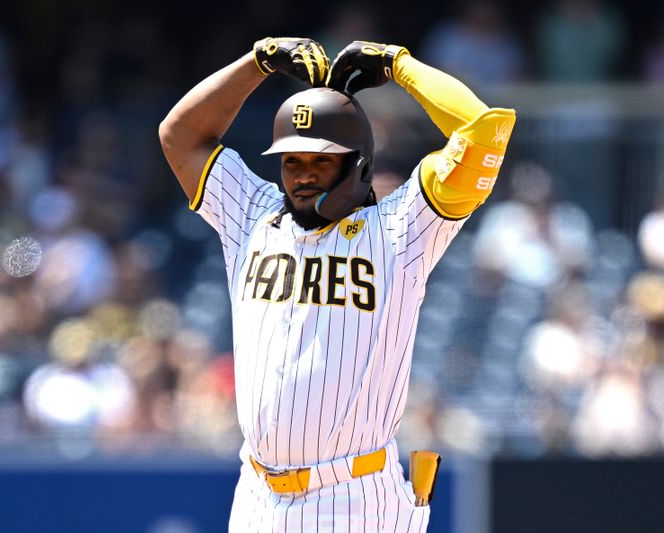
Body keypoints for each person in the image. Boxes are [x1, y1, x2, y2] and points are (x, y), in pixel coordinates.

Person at [159, 36, 515, 532]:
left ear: (359, 163)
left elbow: (483, 132)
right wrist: (256, 63)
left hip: (354, 496)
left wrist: (398, 65)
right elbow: (178, 135)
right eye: (292, 161)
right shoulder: (251, 214)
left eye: (321, 160)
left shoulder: (402, 228)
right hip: (257, 494)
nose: (303, 175)